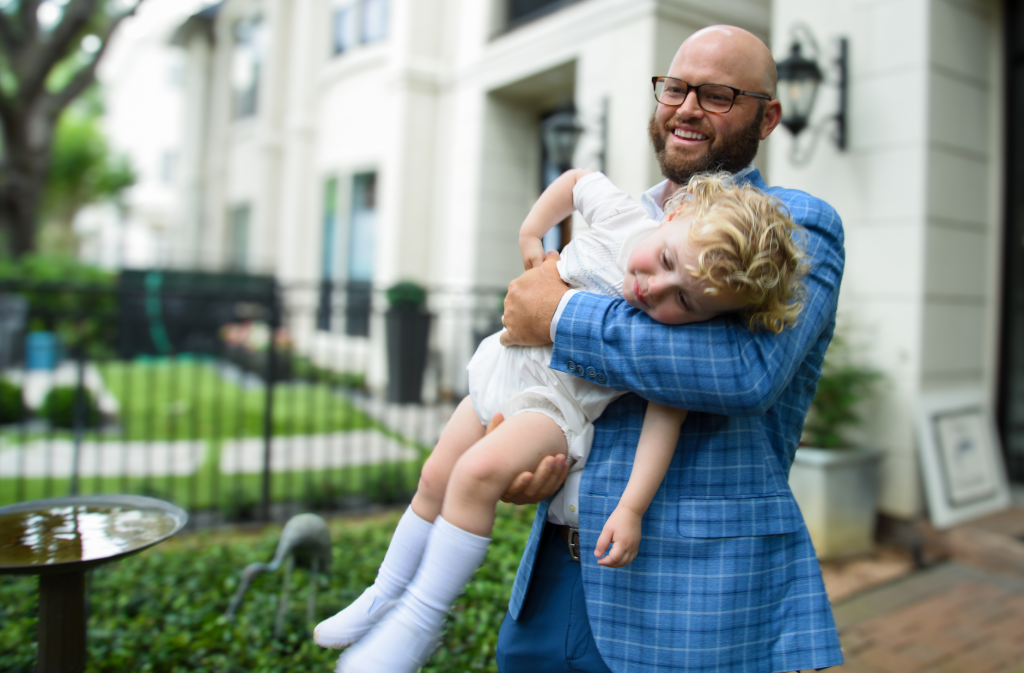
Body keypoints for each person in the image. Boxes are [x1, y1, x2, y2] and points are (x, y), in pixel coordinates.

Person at [316, 163, 808, 672]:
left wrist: (631, 508)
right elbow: (577, 180)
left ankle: (419, 622)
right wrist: (531, 231)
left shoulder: (679, 337)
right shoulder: (623, 218)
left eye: (683, 298)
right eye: (665, 260)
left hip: (552, 408)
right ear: (674, 213)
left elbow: (663, 424)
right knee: (433, 478)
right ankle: (383, 594)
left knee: (474, 475)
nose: (655, 288)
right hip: (501, 372)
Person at [493, 25, 846, 673]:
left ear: (768, 117)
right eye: (676, 88)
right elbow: (555, 376)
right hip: (552, 578)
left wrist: (559, 315)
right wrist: (517, 452)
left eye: (717, 95)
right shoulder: (616, 219)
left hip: (690, 601)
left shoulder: (788, 224)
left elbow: (742, 372)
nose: (687, 107)